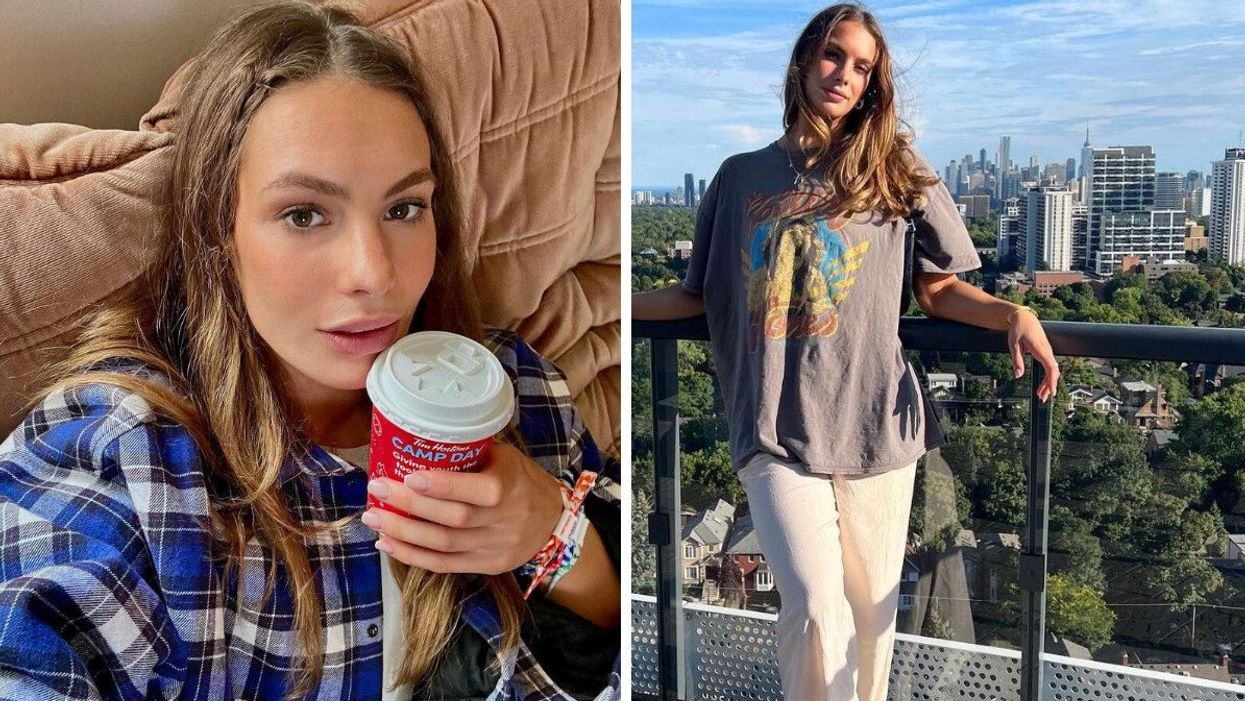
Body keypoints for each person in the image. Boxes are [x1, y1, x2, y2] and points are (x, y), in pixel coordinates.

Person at [0, 4, 620, 700]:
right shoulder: (125, 455)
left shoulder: (515, 389)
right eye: (303, 214)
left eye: (404, 208)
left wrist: (557, 536)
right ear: (218, 230)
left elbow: (615, 649)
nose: (374, 272)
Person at [632, 4, 1059, 700]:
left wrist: (1013, 311)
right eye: (833, 55)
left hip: (874, 426)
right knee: (812, 606)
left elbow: (938, 289)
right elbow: (699, 295)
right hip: (772, 428)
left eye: (862, 66)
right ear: (803, 62)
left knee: (871, 620)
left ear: (872, 85)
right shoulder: (740, 178)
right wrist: (609, 302)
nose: (843, 75)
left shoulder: (893, 171)